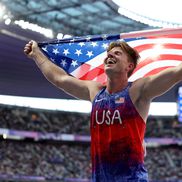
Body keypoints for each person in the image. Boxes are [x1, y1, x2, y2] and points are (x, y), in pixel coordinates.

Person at [24, 40, 182, 182]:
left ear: (129, 66)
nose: (110, 55)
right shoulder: (94, 91)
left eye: (117, 53)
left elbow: (176, 73)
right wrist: (37, 55)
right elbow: (60, 79)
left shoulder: (138, 91)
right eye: (109, 53)